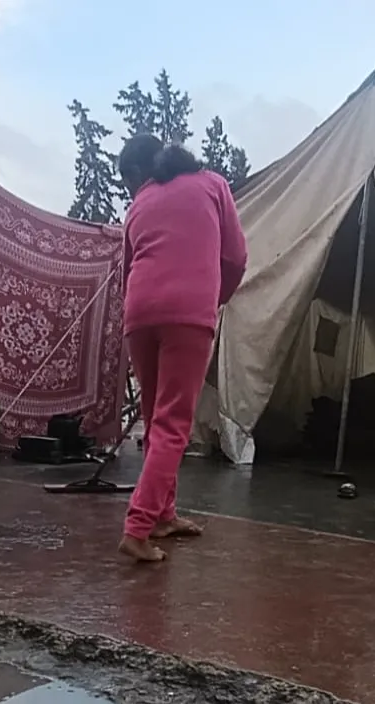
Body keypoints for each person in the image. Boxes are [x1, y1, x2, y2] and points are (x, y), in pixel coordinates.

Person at [115, 134, 246, 563]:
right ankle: (137, 528)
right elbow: (236, 258)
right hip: (187, 313)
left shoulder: (140, 202)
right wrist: (215, 298)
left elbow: (128, 266)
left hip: (139, 313)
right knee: (173, 426)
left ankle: (163, 515)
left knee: (156, 421)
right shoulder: (212, 185)